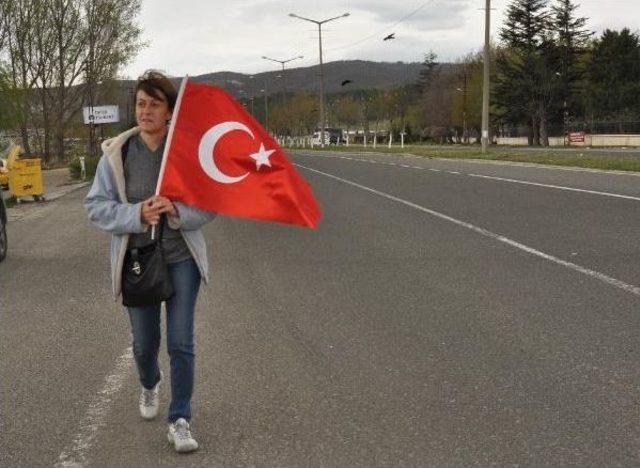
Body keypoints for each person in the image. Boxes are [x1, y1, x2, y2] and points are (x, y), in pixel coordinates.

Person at [84, 70, 216, 453]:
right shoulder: (117, 154)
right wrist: (136, 214)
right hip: (137, 261)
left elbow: (208, 207)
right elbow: (95, 207)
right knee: (144, 344)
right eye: (141, 103)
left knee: (181, 342)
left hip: (181, 259)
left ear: (169, 112)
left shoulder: (186, 156)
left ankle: (180, 418)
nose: (145, 111)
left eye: (154, 104)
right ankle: (149, 383)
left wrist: (176, 211)